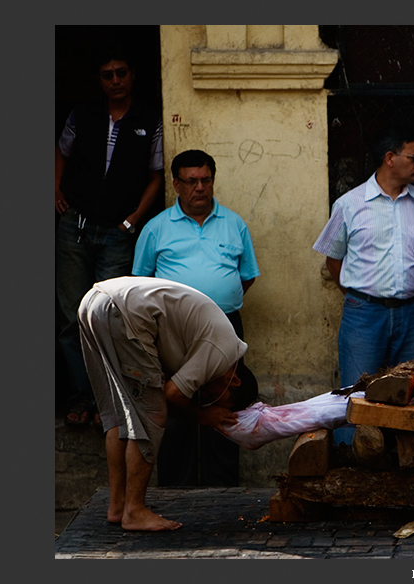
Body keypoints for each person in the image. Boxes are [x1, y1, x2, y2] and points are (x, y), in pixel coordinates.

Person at [77, 277, 256, 531]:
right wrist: (206, 416)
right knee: (153, 413)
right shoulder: (224, 350)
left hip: (94, 302)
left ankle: (117, 506)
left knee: (118, 413)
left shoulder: (216, 340)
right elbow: (172, 395)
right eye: (223, 402)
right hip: (121, 310)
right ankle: (135, 511)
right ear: (234, 381)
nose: (210, 400)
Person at [132, 149, 260, 486]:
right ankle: (177, 487)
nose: (199, 188)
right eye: (191, 182)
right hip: (172, 334)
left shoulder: (234, 224)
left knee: (225, 400)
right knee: (174, 406)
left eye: (205, 180)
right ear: (176, 184)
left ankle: (224, 484)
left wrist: (218, 300)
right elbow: (139, 286)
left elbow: (247, 276)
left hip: (225, 327)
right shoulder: (156, 228)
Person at [56, 44, 164, 426]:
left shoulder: (149, 119)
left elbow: (156, 175)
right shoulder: (83, 114)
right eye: (108, 74)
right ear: (99, 80)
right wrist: (55, 191)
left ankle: (110, 402)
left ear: (132, 75)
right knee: (73, 318)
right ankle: (81, 397)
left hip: (119, 232)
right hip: (76, 227)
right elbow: (61, 153)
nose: (115, 80)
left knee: (110, 319)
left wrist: (134, 219)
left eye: (121, 72)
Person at [313, 125, 414, 387]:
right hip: (364, 315)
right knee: (357, 393)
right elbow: (333, 259)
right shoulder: (349, 204)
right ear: (390, 158)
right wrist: (360, 297)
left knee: (410, 394)